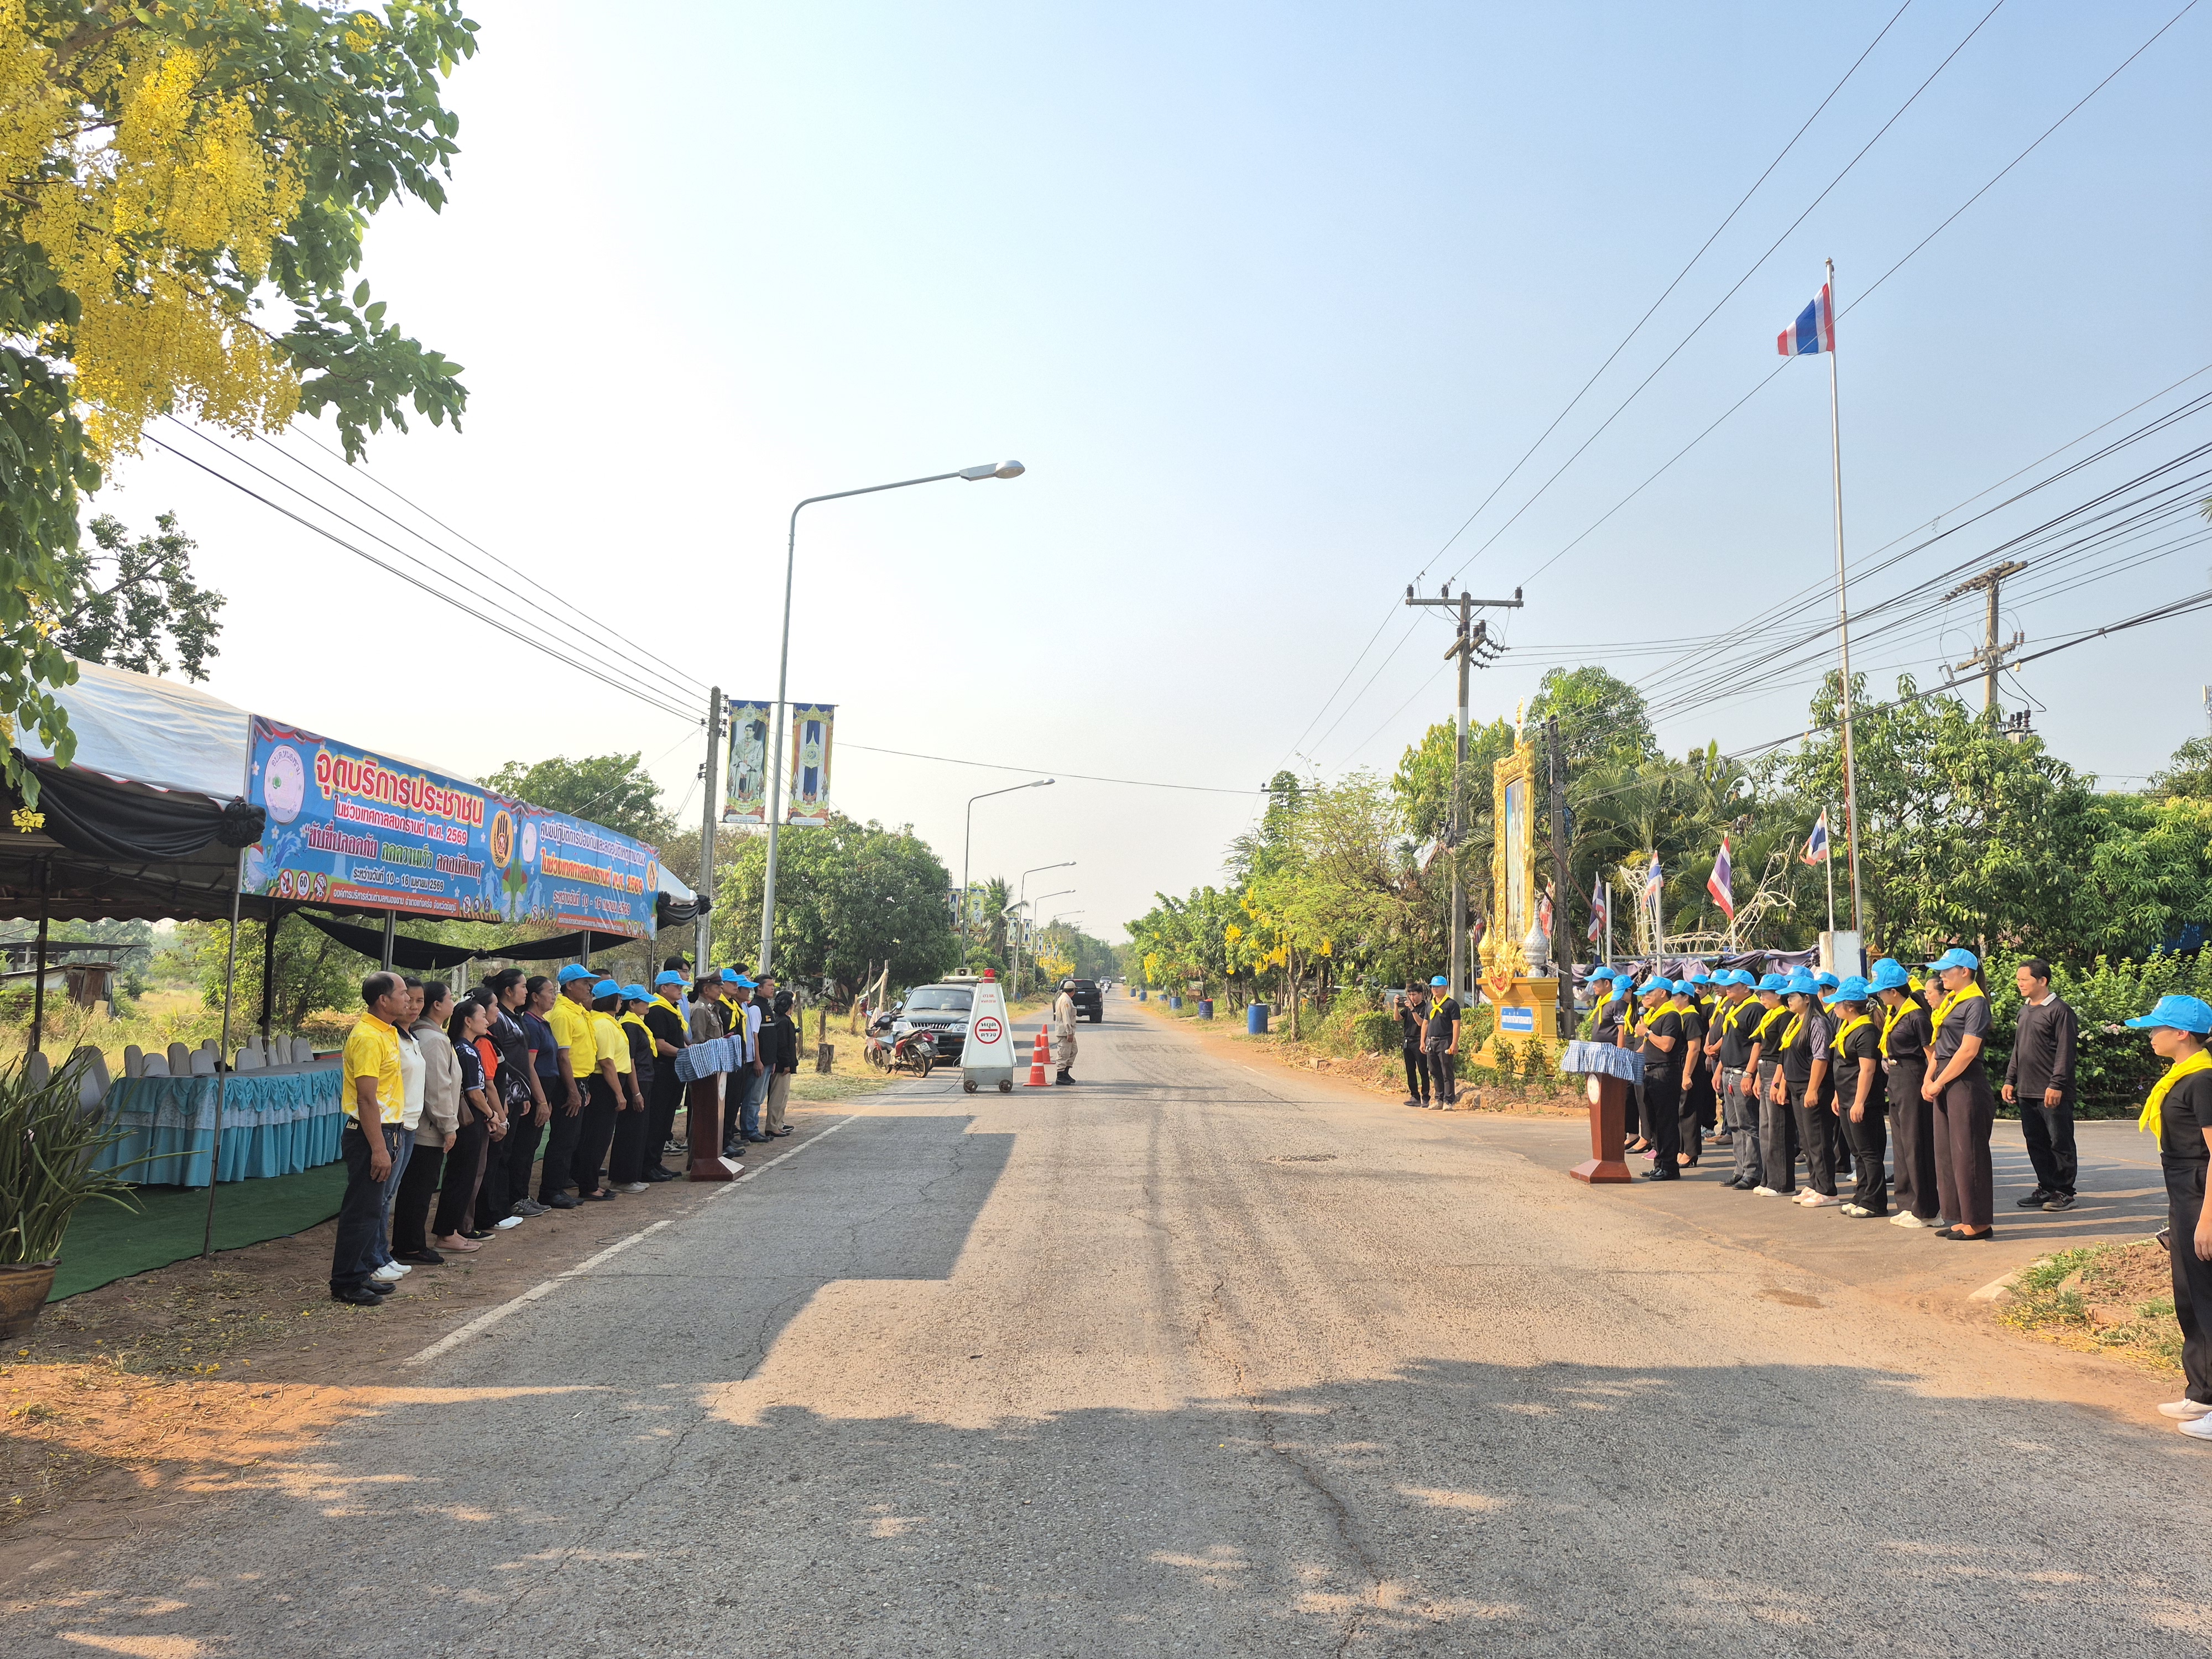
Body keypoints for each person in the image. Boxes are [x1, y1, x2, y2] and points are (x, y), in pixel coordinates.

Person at [2120, 994, 2212, 1436]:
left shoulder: (2203, 1080)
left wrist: (2208, 1220)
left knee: (2210, 1298)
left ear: (2182, 1034)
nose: (2151, 1035)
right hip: (2183, 1194)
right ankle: (2202, 1392)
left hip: (2202, 1196)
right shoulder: (2181, 1075)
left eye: (2157, 1028)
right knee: (2190, 1297)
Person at [331, 972, 411, 1306]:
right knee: (362, 1210)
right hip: (369, 1133)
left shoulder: (387, 1032)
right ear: (384, 999)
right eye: (403, 993)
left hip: (387, 1129)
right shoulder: (368, 1036)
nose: (408, 998)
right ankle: (346, 1282)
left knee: (373, 1207)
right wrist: (379, 1148)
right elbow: (366, 1099)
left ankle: (363, 1272)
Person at [1922, 947, 1997, 1240]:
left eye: (1946, 970)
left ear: (1965, 971)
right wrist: (1930, 1078)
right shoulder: (1952, 1001)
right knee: (1947, 1152)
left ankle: (1978, 1222)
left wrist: (1939, 1082)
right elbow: (1939, 1046)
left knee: (1969, 1154)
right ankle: (1960, 1216)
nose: (1941, 976)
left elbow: (1968, 1050)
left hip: (1964, 1084)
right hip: (1944, 1078)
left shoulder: (1975, 1003)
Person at [393, 982, 461, 1265]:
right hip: (426, 1128)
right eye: (450, 999)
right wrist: (448, 1125)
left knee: (418, 1188)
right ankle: (409, 1246)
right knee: (418, 1189)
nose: (415, 1006)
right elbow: (437, 1089)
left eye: (419, 1000)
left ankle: (410, 1243)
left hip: (422, 1125)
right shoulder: (431, 1039)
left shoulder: (424, 1035)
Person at [2005, 958, 2080, 1212]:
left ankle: (2065, 1192)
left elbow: (2066, 1051)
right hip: (2027, 1089)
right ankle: (2047, 1187)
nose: (2020, 984)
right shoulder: (2025, 1010)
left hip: (2052, 1091)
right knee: (2035, 1142)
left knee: (2060, 1142)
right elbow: (2019, 1048)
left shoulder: (2060, 1011)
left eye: (2024, 979)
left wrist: (2056, 1084)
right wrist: (2010, 1079)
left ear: (2042, 981)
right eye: (2018, 979)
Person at [367, 978, 427, 1287]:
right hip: (394, 1123)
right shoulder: (382, 1037)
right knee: (380, 1195)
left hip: (410, 1123)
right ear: (386, 1001)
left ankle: (383, 1253)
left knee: (388, 1194)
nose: (412, 1005)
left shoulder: (408, 1037)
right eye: (407, 998)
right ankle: (374, 1258)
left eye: (418, 1000)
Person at [1872, 959, 1939, 1229]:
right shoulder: (1893, 1013)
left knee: (1916, 1144)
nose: (1878, 996)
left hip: (1913, 1077)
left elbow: (1931, 1054)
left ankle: (1926, 1209)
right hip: (1898, 1078)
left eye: (1881, 991)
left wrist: (1927, 1082)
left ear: (1894, 992)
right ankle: (1907, 1203)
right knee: (1900, 1145)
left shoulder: (1916, 1016)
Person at [483, 968, 551, 1220]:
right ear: (508, 991)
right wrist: (512, 1094)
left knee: (511, 1151)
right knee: (500, 1154)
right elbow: (501, 1062)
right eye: (522, 987)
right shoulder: (498, 1018)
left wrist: (524, 1094)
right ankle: (496, 1208)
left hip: (516, 1096)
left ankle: (508, 1202)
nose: (526, 991)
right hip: (503, 1096)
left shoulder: (516, 1016)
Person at [433, 993, 497, 1254]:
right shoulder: (464, 1049)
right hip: (468, 1120)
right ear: (468, 1021)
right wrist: (493, 1115)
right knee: (461, 1176)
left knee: (465, 1175)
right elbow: (474, 1091)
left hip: (473, 1119)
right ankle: (447, 1233)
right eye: (482, 1016)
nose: (487, 1021)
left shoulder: (468, 1047)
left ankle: (454, 1230)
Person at [1775, 971, 1838, 1207]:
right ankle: (1814, 1184)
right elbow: (1787, 1056)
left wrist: (1813, 1089)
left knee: (1819, 1138)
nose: (1788, 1000)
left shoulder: (1817, 1023)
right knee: (1807, 1140)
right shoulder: (1796, 1022)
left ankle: (1827, 1189)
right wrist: (1783, 1085)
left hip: (1813, 1088)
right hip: (1796, 1087)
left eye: (1793, 996)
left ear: (1808, 998)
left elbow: (1821, 1058)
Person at [1828, 977, 1887, 1217]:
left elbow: (1867, 1069)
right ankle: (1862, 1194)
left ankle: (1874, 1201)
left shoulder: (1866, 1031)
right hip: (1845, 1099)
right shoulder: (1847, 1028)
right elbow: (1843, 1066)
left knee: (1869, 1152)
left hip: (1862, 1101)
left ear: (1850, 1006)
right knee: (1857, 1152)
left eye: (1838, 1003)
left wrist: (1859, 1101)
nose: (1834, 1007)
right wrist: (1837, 1095)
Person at [539, 964, 596, 1209]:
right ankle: (551, 1190)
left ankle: (560, 1185)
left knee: (571, 1139)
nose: (589, 987)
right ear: (570, 985)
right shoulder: (563, 1014)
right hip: (567, 1083)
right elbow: (563, 1056)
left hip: (579, 1080)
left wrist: (583, 1087)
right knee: (562, 1138)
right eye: (584, 982)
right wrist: (573, 1090)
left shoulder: (578, 1010)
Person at [1710, 970, 1765, 1192]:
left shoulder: (1754, 1009)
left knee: (1748, 1124)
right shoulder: (1731, 1007)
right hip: (1728, 1071)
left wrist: (1750, 1074)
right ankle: (1740, 1168)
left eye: (1733, 985)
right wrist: (1719, 1071)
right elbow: (1728, 1041)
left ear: (1746, 988)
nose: (1728, 988)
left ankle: (1753, 1171)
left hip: (1742, 1072)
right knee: (1734, 1124)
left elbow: (1757, 1045)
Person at [581, 979, 632, 1198]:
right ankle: (589, 1185)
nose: (621, 1002)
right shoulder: (603, 1024)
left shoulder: (608, 1022)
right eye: (619, 998)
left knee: (600, 1136)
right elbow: (607, 1062)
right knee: (597, 1137)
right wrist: (619, 1094)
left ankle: (591, 1182)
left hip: (610, 1082)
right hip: (606, 1084)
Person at [1746, 973, 1794, 1196]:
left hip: (1776, 1069)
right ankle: (1768, 1178)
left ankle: (1781, 1182)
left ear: (1778, 995)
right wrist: (1756, 1075)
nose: (1761, 997)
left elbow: (1783, 1051)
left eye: (1765, 993)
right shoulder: (1769, 1015)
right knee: (1765, 1128)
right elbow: (1763, 1047)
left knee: (1778, 1127)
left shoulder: (1785, 1016)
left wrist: (1778, 1080)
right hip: (1764, 1070)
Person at [608, 984, 658, 1191]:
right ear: (632, 1004)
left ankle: (632, 1175)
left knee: (639, 1130)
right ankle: (623, 1178)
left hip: (645, 1081)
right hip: (635, 1083)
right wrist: (636, 1092)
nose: (647, 1005)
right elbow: (631, 1061)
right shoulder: (630, 1026)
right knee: (630, 1130)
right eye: (643, 1002)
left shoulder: (638, 1024)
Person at [641, 969, 691, 1175]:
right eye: (676, 986)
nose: (681, 989)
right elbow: (660, 1045)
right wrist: (684, 1053)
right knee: (657, 1119)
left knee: (667, 1119)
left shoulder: (672, 1008)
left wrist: (689, 1050)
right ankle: (648, 1164)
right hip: (662, 1071)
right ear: (663, 988)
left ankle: (656, 1162)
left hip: (674, 1071)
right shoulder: (657, 1010)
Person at [1635, 978, 1682, 1181]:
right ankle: (1660, 1163)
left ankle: (1670, 1167)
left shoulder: (1670, 1015)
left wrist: (1646, 1032)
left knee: (1666, 1122)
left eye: (1649, 992)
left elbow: (1666, 1045)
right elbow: (1647, 1047)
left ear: (1663, 993)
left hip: (1665, 1072)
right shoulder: (1654, 1016)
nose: (1645, 996)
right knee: (1654, 1122)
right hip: (1650, 1072)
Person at [1668, 980, 1705, 1168]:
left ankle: (1690, 1152)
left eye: (1676, 996)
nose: (1673, 999)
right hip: (1680, 1066)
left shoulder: (1691, 1017)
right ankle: (1682, 1149)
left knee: (1688, 1110)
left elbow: (1695, 1048)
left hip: (1689, 1067)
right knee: (1680, 1110)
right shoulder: (1681, 1016)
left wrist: (1687, 1074)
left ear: (1686, 997)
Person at [764, 988, 799, 1137]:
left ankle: (778, 1123)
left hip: (783, 1064)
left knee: (782, 1096)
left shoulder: (781, 1019)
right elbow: (783, 1045)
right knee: (778, 1096)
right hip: (781, 1065)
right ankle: (773, 1125)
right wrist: (786, 1064)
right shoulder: (783, 1022)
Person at [1422, 974, 1460, 1107]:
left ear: (1446, 988)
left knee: (1446, 1071)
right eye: (1433, 987)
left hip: (1445, 1040)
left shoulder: (1451, 1004)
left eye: (1438, 987)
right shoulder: (1430, 1005)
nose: (1435, 989)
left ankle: (1449, 1101)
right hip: (1431, 1041)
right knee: (1434, 1070)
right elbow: (1425, 1023)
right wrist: (1423, 1041)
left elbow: (1456, 1024)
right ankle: (1439, 1099)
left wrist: (1454, 1043)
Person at [1397, 980, 1431, 1107]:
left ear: (1421, 994)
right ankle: (1414, 1096)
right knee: (1410, 1070)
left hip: (1419, 1042)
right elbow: (1397, 1018)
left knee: (1423, 1070)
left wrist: (1412, 1009)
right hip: (1407, 1042)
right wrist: (1396, 1005)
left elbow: (1421, 1023)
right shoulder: (1407, 1007)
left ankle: (1426, 1097)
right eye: (1410, 994)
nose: (1412, 997)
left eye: (1414, 994)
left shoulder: (1426, 1007)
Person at [1052, 978, 1081, 1085]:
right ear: (1073, 990)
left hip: (1069, 1032)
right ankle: (1060, 1076)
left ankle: (1065, 1073)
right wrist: (1069, 1032)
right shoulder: (1065, 1000)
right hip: (1065, 1032)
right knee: (1064, 1053)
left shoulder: (1067, 999)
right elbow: (1066, 1018)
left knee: (1073, 1050)